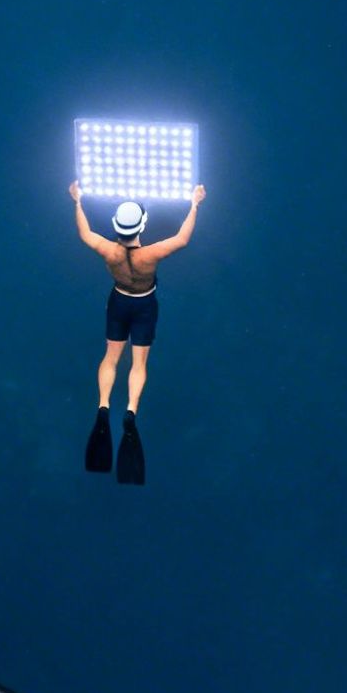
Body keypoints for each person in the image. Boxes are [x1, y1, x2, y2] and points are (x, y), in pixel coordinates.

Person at [70, 179, 205, 485]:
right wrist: (194, 204)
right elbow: (182, 239)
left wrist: (77, 202)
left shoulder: (108, 252)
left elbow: (85, 234)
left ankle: (103, 404)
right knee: (138, 363)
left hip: (118, 300)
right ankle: (130, 411)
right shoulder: (151, 255)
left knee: (110, 357)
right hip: (143, 306)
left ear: (117, 226)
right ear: (142, 225)